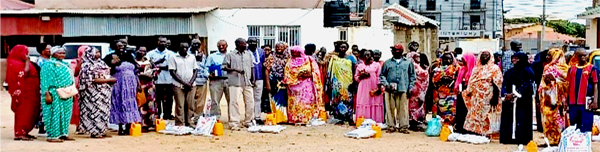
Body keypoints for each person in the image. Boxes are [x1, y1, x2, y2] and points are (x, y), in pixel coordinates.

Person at [462, 50, 503, 136]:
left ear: (490, 57)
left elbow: (497, 83)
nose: (484, 57)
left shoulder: (494, 68)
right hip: (475, 97)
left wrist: (495, 97)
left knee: (486, 114)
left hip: (487, 96)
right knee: (475, 114)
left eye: (486, 55)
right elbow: (471, 81)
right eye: (482, 55)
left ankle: (486, 132)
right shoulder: (476, 68)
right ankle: (475, 131)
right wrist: (468, 91)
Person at [78, 46, 116, 138]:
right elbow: (91, 80)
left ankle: (102, 130)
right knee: (95, 112)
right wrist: (108, 80)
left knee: (104, 112)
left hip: (104, 92)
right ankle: (95, 132)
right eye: (96, 52)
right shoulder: (87, 65)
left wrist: (109, 80)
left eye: (99, 52)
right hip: (93, 93)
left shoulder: (101, 63)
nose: (98, 54)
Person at [40, 46, 76, 142]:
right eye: (59, 53)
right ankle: (53, 136)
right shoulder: (48, 65)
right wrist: (46, 94)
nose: (62, 55)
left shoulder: (65, 64)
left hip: (67, 92)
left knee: (66, 114)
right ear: (53, 54)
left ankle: (63, 133)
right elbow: (44, 80)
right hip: (54, 93)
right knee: (54, 114)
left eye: (63, 53)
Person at [7, 45, 41, 141]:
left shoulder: (27, 62)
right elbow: (24, 73)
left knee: (31, 112)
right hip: (23, 93)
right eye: (25, 52)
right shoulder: (15, 63)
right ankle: (19, 133)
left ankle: (26, 131)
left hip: (31, 92)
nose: (27, 55)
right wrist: (27, 61)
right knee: (23, 112)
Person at [499, 52, 535, 144]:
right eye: (513, 58)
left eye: (517, 58)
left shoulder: (528, 72)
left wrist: (515, 94)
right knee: (508, 118)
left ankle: (522, 138)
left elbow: (527, 85)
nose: (514, 60)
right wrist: (506, 94)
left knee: (522, 118)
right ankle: (508, 138)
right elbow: (504, 84)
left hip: (522, 101)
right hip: (509, 101)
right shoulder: (509, 72)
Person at [283, 46, 324, 124]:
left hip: (306, 86)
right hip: (293, 88)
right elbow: (287, 73)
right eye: (292, 52)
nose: (293, 54)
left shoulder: (308, 59)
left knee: (306, 102)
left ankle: (306, 118)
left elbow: (316, 71)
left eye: (295, 52)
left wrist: (309, 74)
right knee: (295, 103)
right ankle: (294, 119)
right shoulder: (289, 62)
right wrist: (295, 77)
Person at [380, 43, 415, 134]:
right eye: (392, 50)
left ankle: (403, 126)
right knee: (390, 108)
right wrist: (386, 84)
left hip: (403, 88)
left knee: (403, 108)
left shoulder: (407, 63)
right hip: (390, 89)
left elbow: (412, 76)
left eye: (395, 50)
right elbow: (382, 75)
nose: (393, 52)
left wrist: (410, 88)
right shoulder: (387, 63)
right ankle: (391, 126)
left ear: (401, 51)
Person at [222, 38, 255, 130]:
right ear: (237, 44)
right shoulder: (230, 55)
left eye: (245, 44)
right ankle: (234, 123)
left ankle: (248, 121)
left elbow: (252, 67)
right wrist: (235, 69)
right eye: (243, 44)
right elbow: (224, 67)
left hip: (247, 81)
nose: (245, 45)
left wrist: (253, 78)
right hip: (235, 82)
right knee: (234, 102)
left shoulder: (248, 54)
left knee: (250, 102)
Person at [538, 48, 569, 146]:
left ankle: (559, 140)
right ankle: (549, 140)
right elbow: (543, 82)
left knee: (558, 119)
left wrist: (554, 80)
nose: (547, 57)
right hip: (547, 97)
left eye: (549, 55)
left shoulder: (564, 68)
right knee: (547, 119)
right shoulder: (547, 67)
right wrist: (546, 83)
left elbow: (567, 83)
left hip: (559, 99)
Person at [109, 49, 142, 135]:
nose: (121, 47)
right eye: (119, 45)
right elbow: (109, 71)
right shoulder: (111, 57)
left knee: (130, 104)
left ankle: (128, 126)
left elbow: (136, 72)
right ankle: (120, 127)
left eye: (123, 45)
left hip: (131, 86)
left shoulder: (130, 56)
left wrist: (138, 84)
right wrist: (114, 63)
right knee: (119, 103)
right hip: (119, 85)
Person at [566, 49, 598, 133]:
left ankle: (586, 144)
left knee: (586, 126)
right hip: (573, 102)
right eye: (580, 56)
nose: (583, 57)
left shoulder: (592, 68)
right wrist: (566, 100)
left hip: (586, 102)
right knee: (574, 126)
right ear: (576, 56)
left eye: (585, 55)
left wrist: (595, 101)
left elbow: (595, 84)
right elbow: (568, 85)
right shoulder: (571, 69)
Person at [146, 36, 176, 120]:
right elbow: (147, 66)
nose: (162, 43)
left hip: (169, 80)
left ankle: (167, 116)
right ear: (157, 42)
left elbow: (173, 67)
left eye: (164, 42)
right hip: (156, 81)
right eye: (161, 41)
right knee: (157, 100)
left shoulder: (172, 54)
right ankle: (157, 116)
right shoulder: (150, 54)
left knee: (169, 100)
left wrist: (158, 66)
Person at [327, 41, 356, 124]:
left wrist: (354, 81)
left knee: (348, 99)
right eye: (341, 47)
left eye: (344, 47)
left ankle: (349, 117)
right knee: (337, 99)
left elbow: (354, 69)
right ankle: (338, 117)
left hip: (348, 82)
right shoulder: (334, 58)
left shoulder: (351, 58)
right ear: (338, 48)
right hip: (337, 83)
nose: (343, 49)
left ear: (347, 48)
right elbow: (330, 71)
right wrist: (330, 82)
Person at [169, 42, 198, 127]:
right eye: (182, 47)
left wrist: (190, 83)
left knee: (190, 104)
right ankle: (180, 123)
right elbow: (172, 72)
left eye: (186, 47)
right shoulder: (173, 57)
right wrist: (184, 83)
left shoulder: (192, 57)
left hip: (191, 85)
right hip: (178, 84)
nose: (184, 49)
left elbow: (195, 70)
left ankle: (190, 122)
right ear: (179, 47)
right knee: (180, 105)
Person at [354, 50, 384, 123]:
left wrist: (379, 88)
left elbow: (379, 76)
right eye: (365, 55)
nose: (367, 57)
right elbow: (356, 77)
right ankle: (362, 121)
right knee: (363, 102)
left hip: (374, 86)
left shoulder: (376, 65)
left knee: (374, 102)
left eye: (368, 55)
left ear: (371, 56)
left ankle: (375, 121)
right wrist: (362, 76)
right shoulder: (360, 66)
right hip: (363, 87)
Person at [264, 42, 289, 124]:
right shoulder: (271, 57)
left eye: (281, 47)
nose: (278, 49)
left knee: (284, 100)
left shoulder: (288, 57)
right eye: (277, 47)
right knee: (274, 101)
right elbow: (266, 71)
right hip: (274, 82)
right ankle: (276, 118)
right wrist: (267, 84)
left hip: (284, 82)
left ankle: (283, 118)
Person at [432, 52, 459, 125]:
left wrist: (451, 80)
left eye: (449, 59)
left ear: (452, 59)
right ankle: (440, 125)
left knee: (451, 111)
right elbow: (433, 81)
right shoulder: (437, 69)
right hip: (440, 94)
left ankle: (450, 125)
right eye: (445, 58)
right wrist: (441, 79)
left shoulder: (456, 69)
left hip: (451, 94)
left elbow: (458, 80)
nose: (447, 60)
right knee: (440, 110)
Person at [206, 40, 230, 118]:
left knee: (232, 101)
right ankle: (215, 118)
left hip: (229, 80)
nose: (221, 47)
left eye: (223, 45)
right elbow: (206, 68)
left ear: (227, 45)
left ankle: (233, 119)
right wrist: (209, 75)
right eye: (219, 45)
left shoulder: (231, 55)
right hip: (216, 81)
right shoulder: (212, 56)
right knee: (215, 100)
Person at [454, 52, 476, 133]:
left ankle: (469, 129)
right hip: (461, 92)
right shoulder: (462, 69)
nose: (463, 62)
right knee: (461, 110)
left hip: (470, 93)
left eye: (464, 60)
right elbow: (458, 81)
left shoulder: (475, 71)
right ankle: (460, 127)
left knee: (469, 111)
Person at [406, 52, 428, 131]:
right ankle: (413, 123)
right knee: (413, 107)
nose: (418, 58)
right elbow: (420, 75)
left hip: (421, 90)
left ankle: (418, 122)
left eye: (419, 56)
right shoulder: (412, 66)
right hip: (414, 90)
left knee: (420, 106)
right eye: (416, 56)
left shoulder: (420, 65)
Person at [136, 46, 157, 131]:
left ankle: (151, 123)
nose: (142, 52)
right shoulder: (134, 61)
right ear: (137, 50)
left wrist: (153, 73)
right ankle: (142, 124)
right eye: (141, 50)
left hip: (149, 85)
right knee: (141, 103)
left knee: (150, 104)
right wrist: (141, 75)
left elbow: (155, 71)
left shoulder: (149, 61)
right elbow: (135, 73)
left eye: (144, 51)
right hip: (140, 84)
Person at [248, 37, 265, 122]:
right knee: (249, 99)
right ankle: (250, 117)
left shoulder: (261, 52)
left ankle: (257, 116)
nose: (252, 43)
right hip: (248, 79)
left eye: (254, 42)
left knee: (258, 98)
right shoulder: (245, 52)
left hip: (260, 77)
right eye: (250, 42)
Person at [35, 43, 51, 134]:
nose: (50, 50)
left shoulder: (51, 60)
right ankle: (41, 127)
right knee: (43, 106)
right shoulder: (40, 61)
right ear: (42, 50)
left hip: (52, 85)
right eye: (48, 49)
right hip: (44, 86)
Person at [190, 39, 209, 118]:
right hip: (190, 81)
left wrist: (206, 75)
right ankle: (190, 116)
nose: (196, 46)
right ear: (191, 44)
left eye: (198, 44)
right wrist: (195, 58)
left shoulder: (202, 54)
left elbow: (205, 66)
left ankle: (198, 116)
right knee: (190, 100)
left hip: (201, 80)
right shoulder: (187, 54)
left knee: (200, 101)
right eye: (194, 44)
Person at [260, 45, 273, 114]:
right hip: (261, 78)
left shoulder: (272, 58)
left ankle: (269, 110)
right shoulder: (260, 58)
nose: (267, 52)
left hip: (269, 80)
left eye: (269, 50)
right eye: (265, 50)